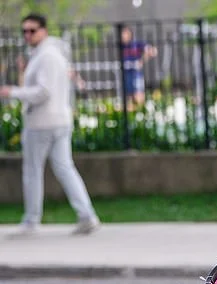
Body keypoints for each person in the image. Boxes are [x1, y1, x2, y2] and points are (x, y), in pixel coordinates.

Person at [0, 14, 100, 237]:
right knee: (65, 168)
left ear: (43, 30)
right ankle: (86, 216)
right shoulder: (52, 54)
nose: (27, 35)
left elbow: (43, 92)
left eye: (32, 30)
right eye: (24, 31)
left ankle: (31, 220)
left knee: (33, 172)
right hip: (59, 120)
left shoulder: (46, 56)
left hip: (42, 123)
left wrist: (12, 92)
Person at [119, 26, 157, 110]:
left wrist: (141, 61)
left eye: (125, 34)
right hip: (126, 74)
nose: (123, 36)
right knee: (128, 97)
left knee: (138, 96)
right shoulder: (121, 46)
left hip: (136, 74)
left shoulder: (136, 44)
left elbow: (153, 51)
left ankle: (140, 111)